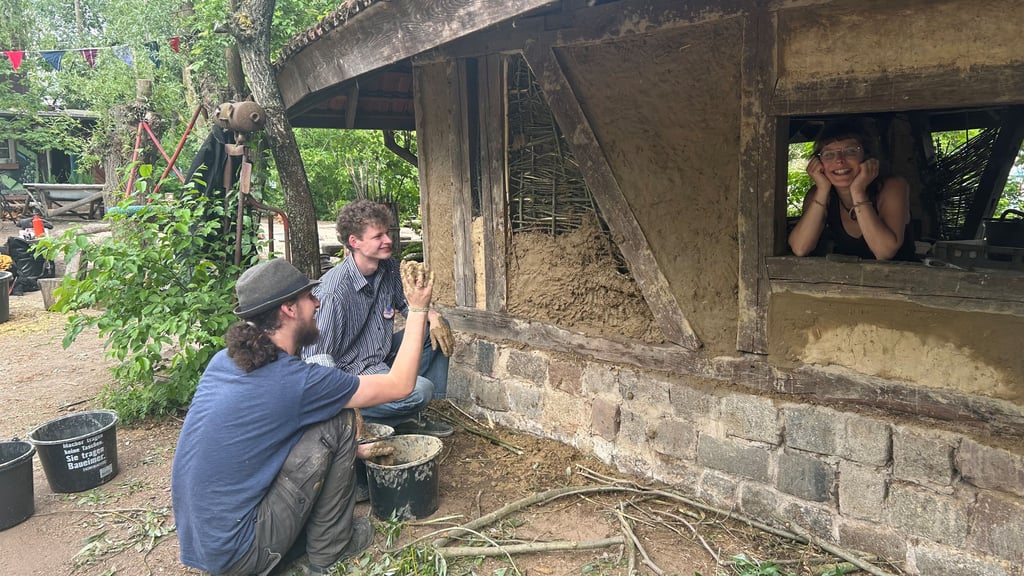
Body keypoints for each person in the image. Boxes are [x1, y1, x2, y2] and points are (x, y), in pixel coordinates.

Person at [171, 257, 435, 576]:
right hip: (240, 553)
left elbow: (272, 437)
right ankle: (331, 548)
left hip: (206, 543)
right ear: (289, 309)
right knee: (339, 420)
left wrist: (353, 450)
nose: (318, 302)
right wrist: (419, 309)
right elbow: (400, 384)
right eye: (309, 297)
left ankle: (297, 538)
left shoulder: (223, 362)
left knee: (324, 419)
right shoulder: (295, 382)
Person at [303, 200, 455, 437]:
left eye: (387, 233)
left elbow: (407, 305)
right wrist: (345, 404)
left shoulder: (388, 268)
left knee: (431, 330)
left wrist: (433, 317)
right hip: (351, 375)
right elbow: (318, 358)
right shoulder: (333, 292)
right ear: (355, 242)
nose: (389, 240)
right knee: (421, 390)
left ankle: (409, 415)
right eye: (378, 236)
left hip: (378, 356)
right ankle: (370, 415)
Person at [788, 120, 916, 261]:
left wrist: (857, 191)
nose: (839, 161)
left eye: (850, 152)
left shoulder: (893, 186)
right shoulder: (819, 194)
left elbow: (884, 252)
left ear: (867, 157)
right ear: (819, 163)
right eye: (829, 154)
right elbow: (800, 248)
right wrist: (822, 190)